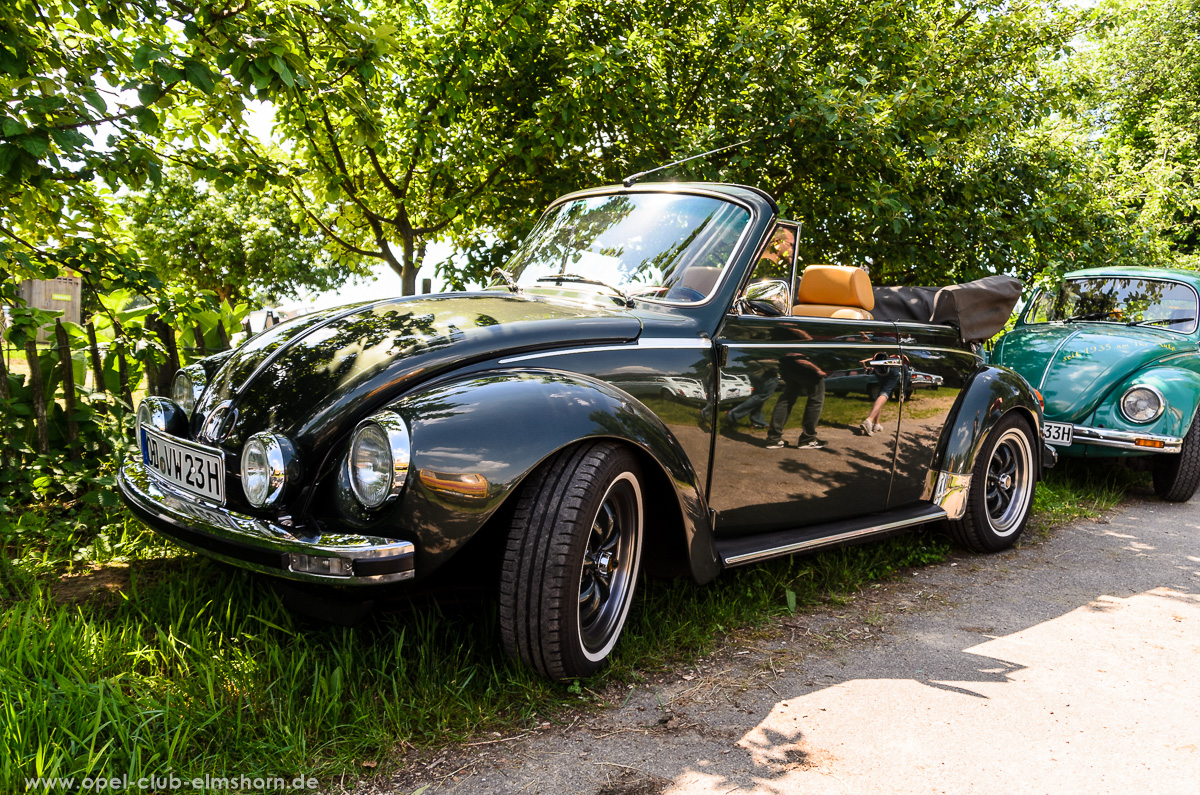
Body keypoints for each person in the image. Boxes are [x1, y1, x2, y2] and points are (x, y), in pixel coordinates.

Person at [765, 351, 827, 449]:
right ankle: (808, 439)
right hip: (804, 365)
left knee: (786, 399)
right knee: (816, 400)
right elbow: (799, 351)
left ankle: (774, 439)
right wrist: (816, 369)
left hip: (786, 364)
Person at [860, 353, 904, 436]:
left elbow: (870, 360)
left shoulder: (879, 350)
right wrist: (903, 392)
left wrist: (866, 362)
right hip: (893, 367)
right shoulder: (897, 351)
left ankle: (876, 424)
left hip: (879, 367)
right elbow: (905, 363)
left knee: (881, 394)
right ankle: (869, 420)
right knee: (885, 392)